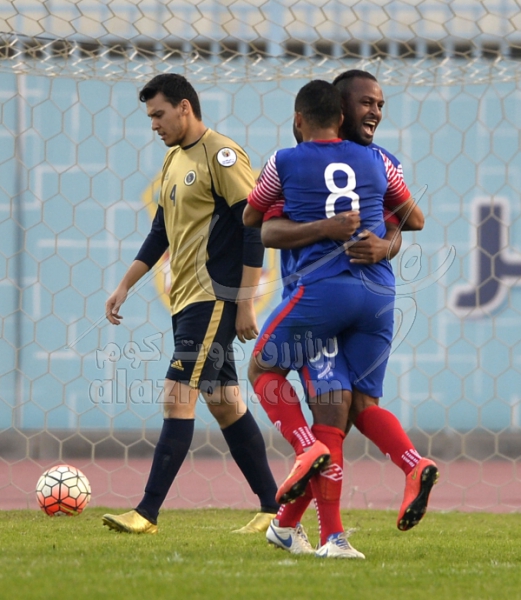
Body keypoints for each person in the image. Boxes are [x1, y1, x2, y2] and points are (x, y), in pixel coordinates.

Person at [243, 79, 435, 559]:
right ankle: (290, 526)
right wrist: (340, 231)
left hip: (322, 297)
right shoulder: (377, 163)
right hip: (377, 298)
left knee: (301, 400)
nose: (376, 112)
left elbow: (259, 224)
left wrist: (384, 245)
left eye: (381, 105)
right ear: (341, 109)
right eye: (367, 102)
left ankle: (332, 536)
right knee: (348, 413)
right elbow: (413, 218)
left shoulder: (294, 163)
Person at [101, 73, 279, 535]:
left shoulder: (221, 155)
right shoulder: (172, 160)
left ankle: (147, 512)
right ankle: (274, 508)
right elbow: (160, 231)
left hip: (214, 297)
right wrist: (125, 284)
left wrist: (245, 302)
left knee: (176, 395)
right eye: (150, 117)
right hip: (186, 300)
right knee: (224, 403)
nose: (154, 125)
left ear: (185, 107)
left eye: (159, 114)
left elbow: (253, 228)